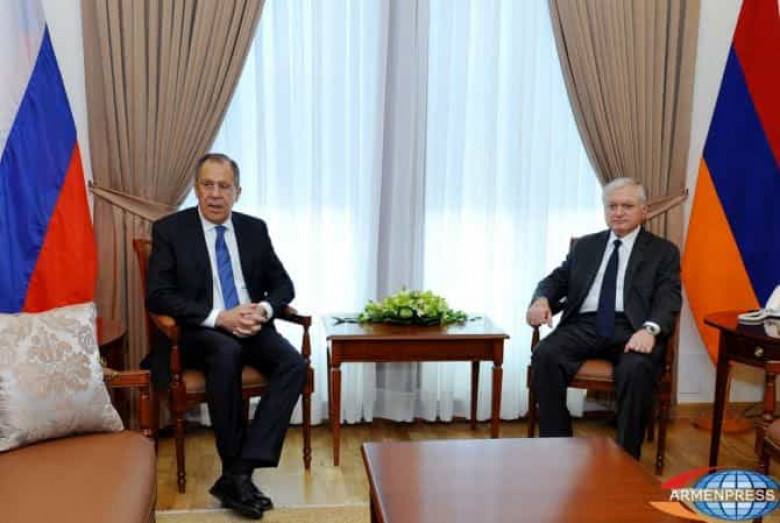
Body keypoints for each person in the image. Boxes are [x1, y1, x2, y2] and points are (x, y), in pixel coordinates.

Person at [146, 153, 306, 519]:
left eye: (224, 186)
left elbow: (283, 285)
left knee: (294, 364)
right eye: (208, 185)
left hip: (251, 324)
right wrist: (219, 317)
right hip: (198, 330)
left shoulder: (254, 229)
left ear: (237, 192)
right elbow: (158, 295)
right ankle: (237, 474)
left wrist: (262, 310)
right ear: (196, 188)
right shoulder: (170, 230)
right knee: (226, 351)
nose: (215, 194)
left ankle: (239, 472)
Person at [526, 177, 681, 460]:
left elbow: (668, 298)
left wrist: (650, 329)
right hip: (584, 325)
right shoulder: (586, 246)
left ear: (644, 211)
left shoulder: (663, 251)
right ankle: (556, 447)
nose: (618, 212)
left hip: (632, 328)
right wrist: (541, 299)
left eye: (627, 206)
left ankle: (626, 458)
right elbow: (555, 280)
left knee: (637, 368)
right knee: (546, 355)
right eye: (612, 206)